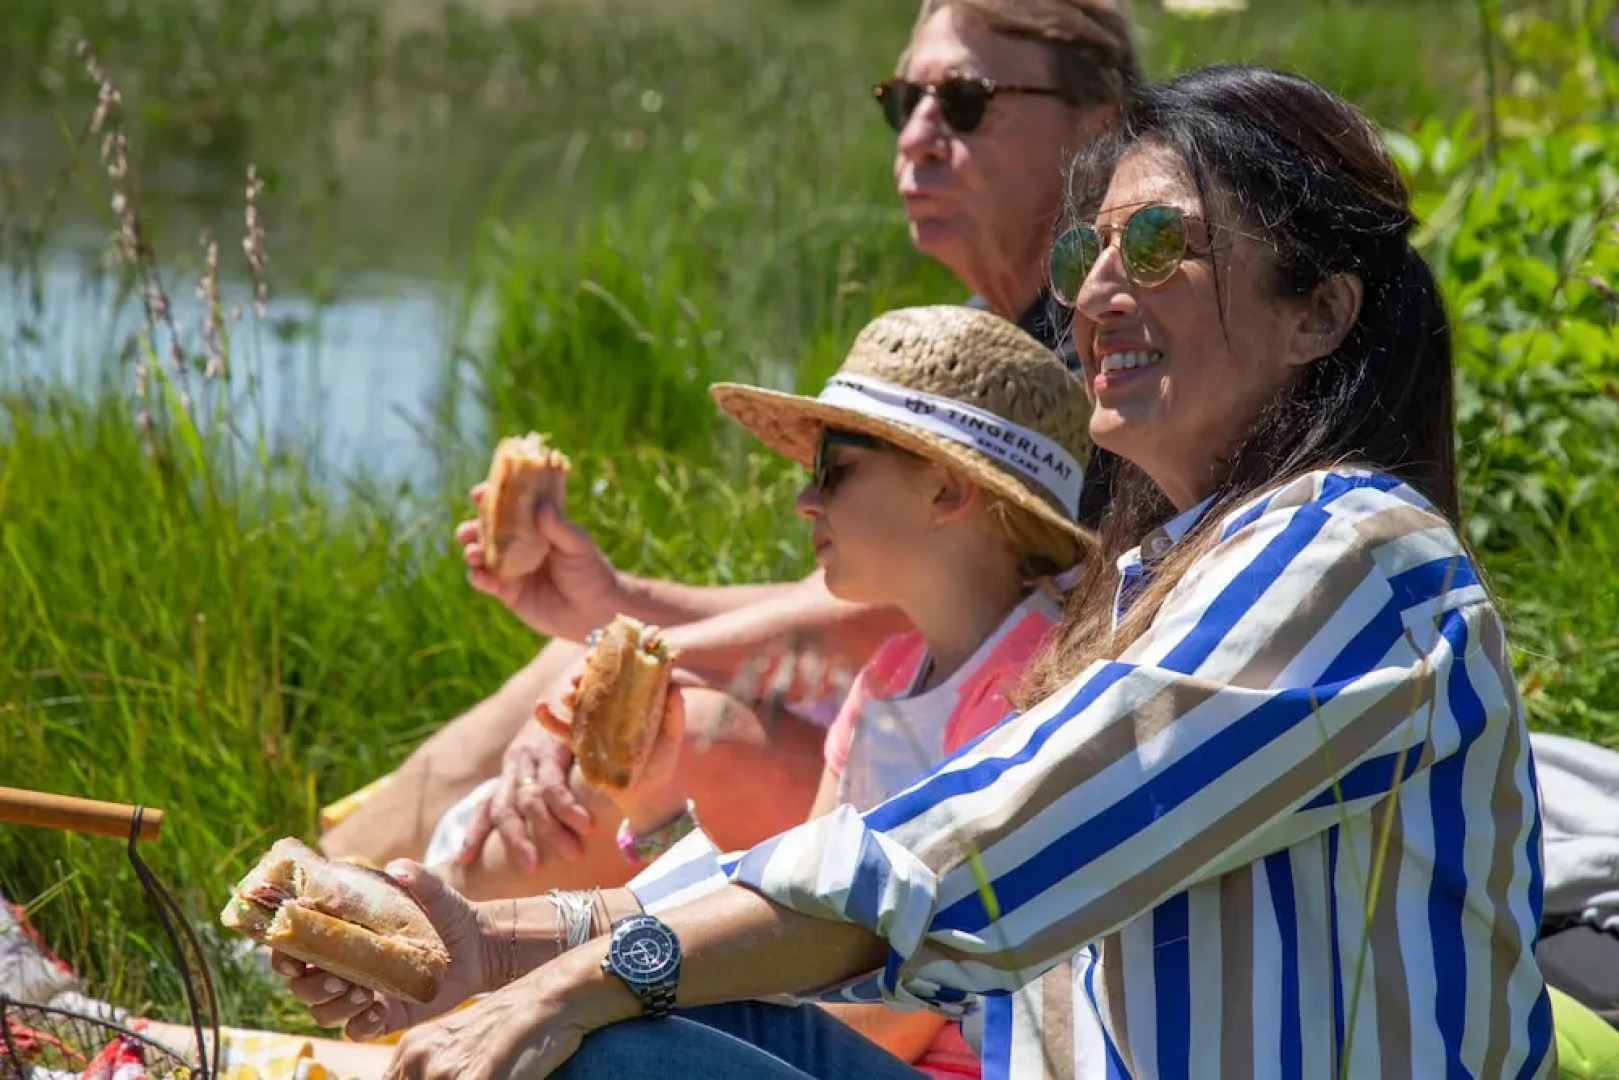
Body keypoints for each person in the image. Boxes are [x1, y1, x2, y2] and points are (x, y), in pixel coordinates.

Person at [275, 63, 1554, 1079]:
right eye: (1086, 254)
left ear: (1316, 312)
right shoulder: (1152, 584)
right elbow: (887, 875)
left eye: (1157, 243)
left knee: (582, 1051)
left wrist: (565, 973)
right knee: (570, 1028)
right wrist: (496, 942)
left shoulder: (1351, 556)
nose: (1100, 288)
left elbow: (950, 866)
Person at [318, 0, 1142, 902]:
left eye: (966, 101)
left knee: (645, 727)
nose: (916, 134)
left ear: (1097, 126)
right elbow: (877, 592)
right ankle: (291, 920)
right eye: (900, 99)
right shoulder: (989, 339)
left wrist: (629, 656)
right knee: (580, 663)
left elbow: (925, 613)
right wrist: (619, 608)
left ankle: (358, 956)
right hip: (901, 723)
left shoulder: (1106, 368)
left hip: (968, 790)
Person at [533, 304, 1094, 1074]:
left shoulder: (1036, 690)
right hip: (854, 1039)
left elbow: (880, 1018)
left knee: (597, 1033)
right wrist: (654, 806)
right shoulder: (888, 680)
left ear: (944, 491)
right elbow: (794, 916)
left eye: (834, 467)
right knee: (582, 1008)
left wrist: (649, 993)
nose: (806, 501)